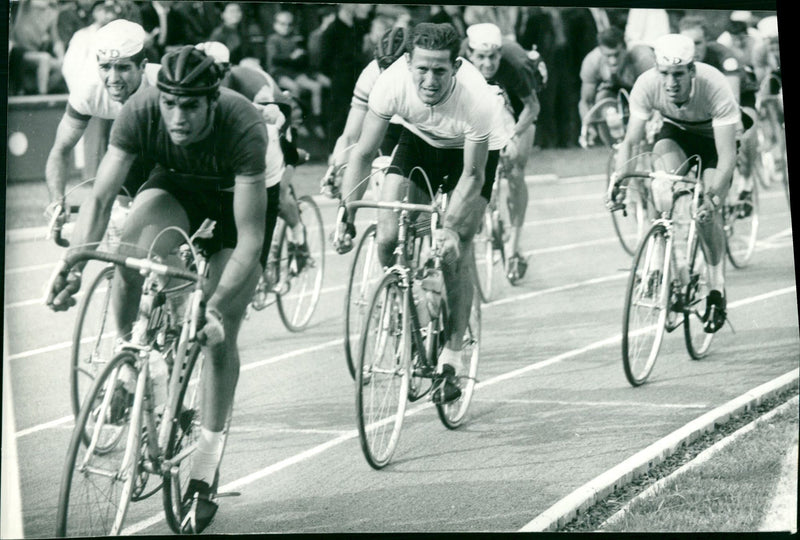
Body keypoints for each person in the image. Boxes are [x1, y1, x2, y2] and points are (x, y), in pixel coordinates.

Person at [46, 45, 274, 534]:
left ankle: (203, 473)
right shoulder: (141, 109)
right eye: (170, 103)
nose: (178, 116)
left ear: (212, 100)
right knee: (130, 251)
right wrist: (73, 263)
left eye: (190, 105)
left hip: (238, 203)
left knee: (217, 335)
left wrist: (211, 307)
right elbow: (102, 196)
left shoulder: (244, 125)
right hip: (174, 185)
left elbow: (251, 240)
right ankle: (136, 361)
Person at [336, 22, 513, 403]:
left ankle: (452, 357)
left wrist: (448, 229)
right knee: (386, 236)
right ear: (407, 62)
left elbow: (473, 173)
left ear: (456, 66)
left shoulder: (478, 97)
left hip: (470, 156)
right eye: (422, 69)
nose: (430, 80)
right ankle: (412, 292)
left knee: (454, 251)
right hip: (418, 141)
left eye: (439, 70)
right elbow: (364, 153)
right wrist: (346, 213)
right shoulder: (391, 84)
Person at [611, 34, 742, 334]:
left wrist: (715, 200)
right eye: (665, 74)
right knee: (662, 184)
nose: (671, 82)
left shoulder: (714, 85)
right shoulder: (646, 84)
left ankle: (716, 290)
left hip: (715, 141)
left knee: (704, 210)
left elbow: (726, 157)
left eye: (679, 74)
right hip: (677, 132)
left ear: (692, 71)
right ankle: (668, 267)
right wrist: (617, 181)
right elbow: (630, 142)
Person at [45, 19, 160, 233]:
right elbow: (60, 150)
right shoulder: (87, 88)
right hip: (132, 154)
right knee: (118, 221)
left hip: (168, 151)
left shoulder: (162, 84)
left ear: (143, 66)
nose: (113, 78)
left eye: (123, 68)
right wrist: (56, 200)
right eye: (105, 67)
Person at [463, 22, 541, 283]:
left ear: (500, 54)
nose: (487, 64)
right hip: (485, 104)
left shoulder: (514, 65)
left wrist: (512, 136)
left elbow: (532, 109)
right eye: (481, 57)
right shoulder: (459, 63)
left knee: (516, 166)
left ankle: (514, 245)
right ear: (471, 54)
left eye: (493, 57)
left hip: (519, 108)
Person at [325, 25, 410, 204]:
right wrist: (334, 170)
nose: (389, 75)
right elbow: (350, 136)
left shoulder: (421, 75)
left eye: (395, 68)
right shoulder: (370, 74)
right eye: (384, 68)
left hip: (416, 126)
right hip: (388, 125)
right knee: (378, 167)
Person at [266, 10, 330, 139]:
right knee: (295, 88)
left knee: (316, 87)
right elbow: (274, 59)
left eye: (289, 24)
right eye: (283, 24)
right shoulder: (273, 39)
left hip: (294, 72)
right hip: (278, 73)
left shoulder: (294, 37)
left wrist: (301, 55)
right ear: (275, 24)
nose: (286, 27)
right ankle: (297, 123)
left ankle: (316, 121)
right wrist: (292, 57)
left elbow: (302, 58)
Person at [578, 26, 656, 121]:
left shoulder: (642, 58)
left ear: (625, 48)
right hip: (613, 92)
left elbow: (657, 96)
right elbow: (586, 101)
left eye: (617, 54)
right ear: (601, 51)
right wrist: (588, 126)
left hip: (642, 94)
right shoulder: (592, 61)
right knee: (601, 97)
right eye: (608, 56)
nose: (613, 61)